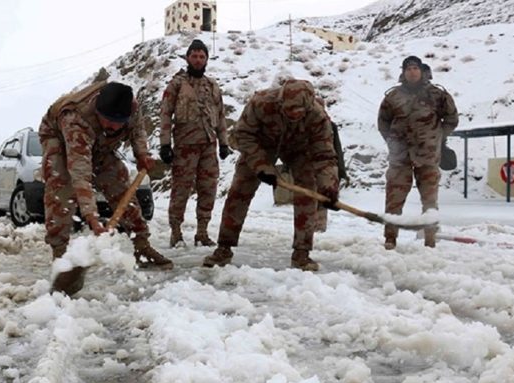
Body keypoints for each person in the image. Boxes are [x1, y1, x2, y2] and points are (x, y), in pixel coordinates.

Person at [39, 80, 173, 294]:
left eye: (116, 123)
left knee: (121, 188)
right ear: (98, 111)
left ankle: (142, 246)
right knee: (61, 190)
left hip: (100, 145)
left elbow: (137, 130)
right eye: (107, 120)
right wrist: (91, 217)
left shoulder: (132, 108)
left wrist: (141, 154)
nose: (111, 126)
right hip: (59, 139)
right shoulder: (76, 119)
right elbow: (80, 172)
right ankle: (61, 257)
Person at [202, 79, 339, 271]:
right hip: (260, 144)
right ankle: (224, 247)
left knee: (308, 191)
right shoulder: (261, 103)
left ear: (307, 108)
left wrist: (329, 187)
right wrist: (261, 166)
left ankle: (302, 253)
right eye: (288, 109)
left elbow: (324, 155)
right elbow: (242, 134)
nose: (291, 113)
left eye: (297, 111)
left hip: (299, 148)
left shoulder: (318, 117)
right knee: (240, 190)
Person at [377, 55, 459, 250]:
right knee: (393, 200)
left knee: (430, 201)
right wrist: (392, 142)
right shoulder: (392, 97)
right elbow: (383, 122)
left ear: (422, 71)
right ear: (403, 73)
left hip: (428, 156)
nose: (412, 72)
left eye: (415, 68)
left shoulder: (437, 94)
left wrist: (437, 137)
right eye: (408, 69)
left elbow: (451, 119)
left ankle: (430, 240)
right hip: (400, 158)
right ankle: (390, 240)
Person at [158, 39, 231, 248]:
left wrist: (224, 143)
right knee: (181, 189)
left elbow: (221, 115)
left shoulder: (212, 86)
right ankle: (176, 232)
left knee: (208, 188)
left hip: (209, 145)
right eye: (194, 56)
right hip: (185, 146)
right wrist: (165, 145)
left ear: (206, 59)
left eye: (202, 56)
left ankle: (202, 232)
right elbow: (165, 114)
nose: (198, 60)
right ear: (188, 58)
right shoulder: (177, 84)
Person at [315, 119, 348, 232]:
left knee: (325, 197)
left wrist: (341, 170)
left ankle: (320, 228)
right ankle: (309, 229)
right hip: (308, 167)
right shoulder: (304, 123)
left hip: (327, 166)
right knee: (310, 198)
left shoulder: (330, 125)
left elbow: (337, 147)